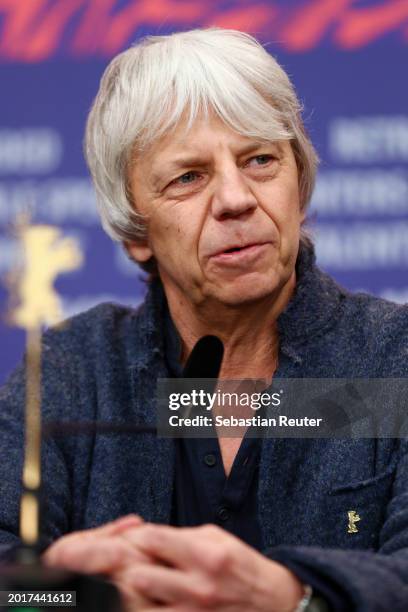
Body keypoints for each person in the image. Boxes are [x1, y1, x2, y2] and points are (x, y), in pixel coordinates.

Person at [1, 27, 408, 612]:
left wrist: (298, 599)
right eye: (188, 177)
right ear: (136, 232)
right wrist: (75, 595)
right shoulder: (78, 368)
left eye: (260, 160)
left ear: (300, 187)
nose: (236, 198)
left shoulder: (392, 357)